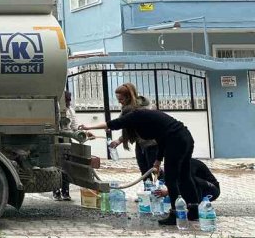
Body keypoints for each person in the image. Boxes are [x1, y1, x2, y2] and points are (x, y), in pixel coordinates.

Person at [80, 83, 201, 224]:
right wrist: (158, 160)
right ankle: (194, 211)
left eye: (121, 100)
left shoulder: (136, 115)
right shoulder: (143, 115)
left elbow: (112, 124)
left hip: (176, 140)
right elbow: (161, 138)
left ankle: (175, 215)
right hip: (184, 137)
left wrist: (89, 126)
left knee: (171, 178)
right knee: (184, 175)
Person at [107, 83, 161, 178]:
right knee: (144, 170)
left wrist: (108, 126)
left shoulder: (140, 108)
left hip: (152, 143)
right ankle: (148, 191)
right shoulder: (128, 108)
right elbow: (128, 126)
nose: (119, 102)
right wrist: (119, 140)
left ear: (128, 97)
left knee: (154, 170)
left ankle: (168, 190)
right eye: (118, 99)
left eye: (121, 99)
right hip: (140, 144)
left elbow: (120, 123)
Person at [55, 90, 94, 201]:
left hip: (67, 140)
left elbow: (75, 127)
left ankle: (65, 192)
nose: (69, 102)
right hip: (56, 141)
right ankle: (56, 191)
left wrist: (85, 134)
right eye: (67, 100)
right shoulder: (55, 110)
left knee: (67, 166)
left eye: (69, 99)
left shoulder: (70, 111)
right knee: (57, 165)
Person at [155, 158, 220, 202]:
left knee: (189, 179)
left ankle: (195, 206)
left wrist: (167, 192)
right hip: (197, 189)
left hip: (212, 190)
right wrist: (160, 173)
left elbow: (187, 182)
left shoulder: (190, 163)